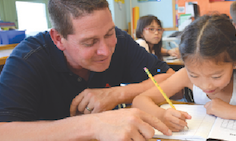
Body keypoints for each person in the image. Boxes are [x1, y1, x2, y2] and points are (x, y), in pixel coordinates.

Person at [0, 0, 175, 140]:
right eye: (89, 42)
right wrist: (91, 125)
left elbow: (169, 78)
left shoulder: (120, 41)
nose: (106, 51)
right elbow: (4, 131)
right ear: (58, 39)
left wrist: (117, 94)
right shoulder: (28, 59)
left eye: (109, 34)